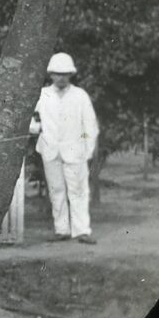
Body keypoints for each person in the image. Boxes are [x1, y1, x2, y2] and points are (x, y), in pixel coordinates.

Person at [30, 52, 99, 245]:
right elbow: (34, 120)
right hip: (50, 149)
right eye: (57, 73)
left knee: (78, 190)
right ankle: (61, 229)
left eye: (65, 74)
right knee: (56, 190)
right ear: (50, 74)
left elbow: (89, 126)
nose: (60, 78)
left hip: (75, 150)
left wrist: (87, 148)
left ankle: (82, 230)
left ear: (71, 74)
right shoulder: (43, 94)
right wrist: (36, 128)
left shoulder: (79, 96)